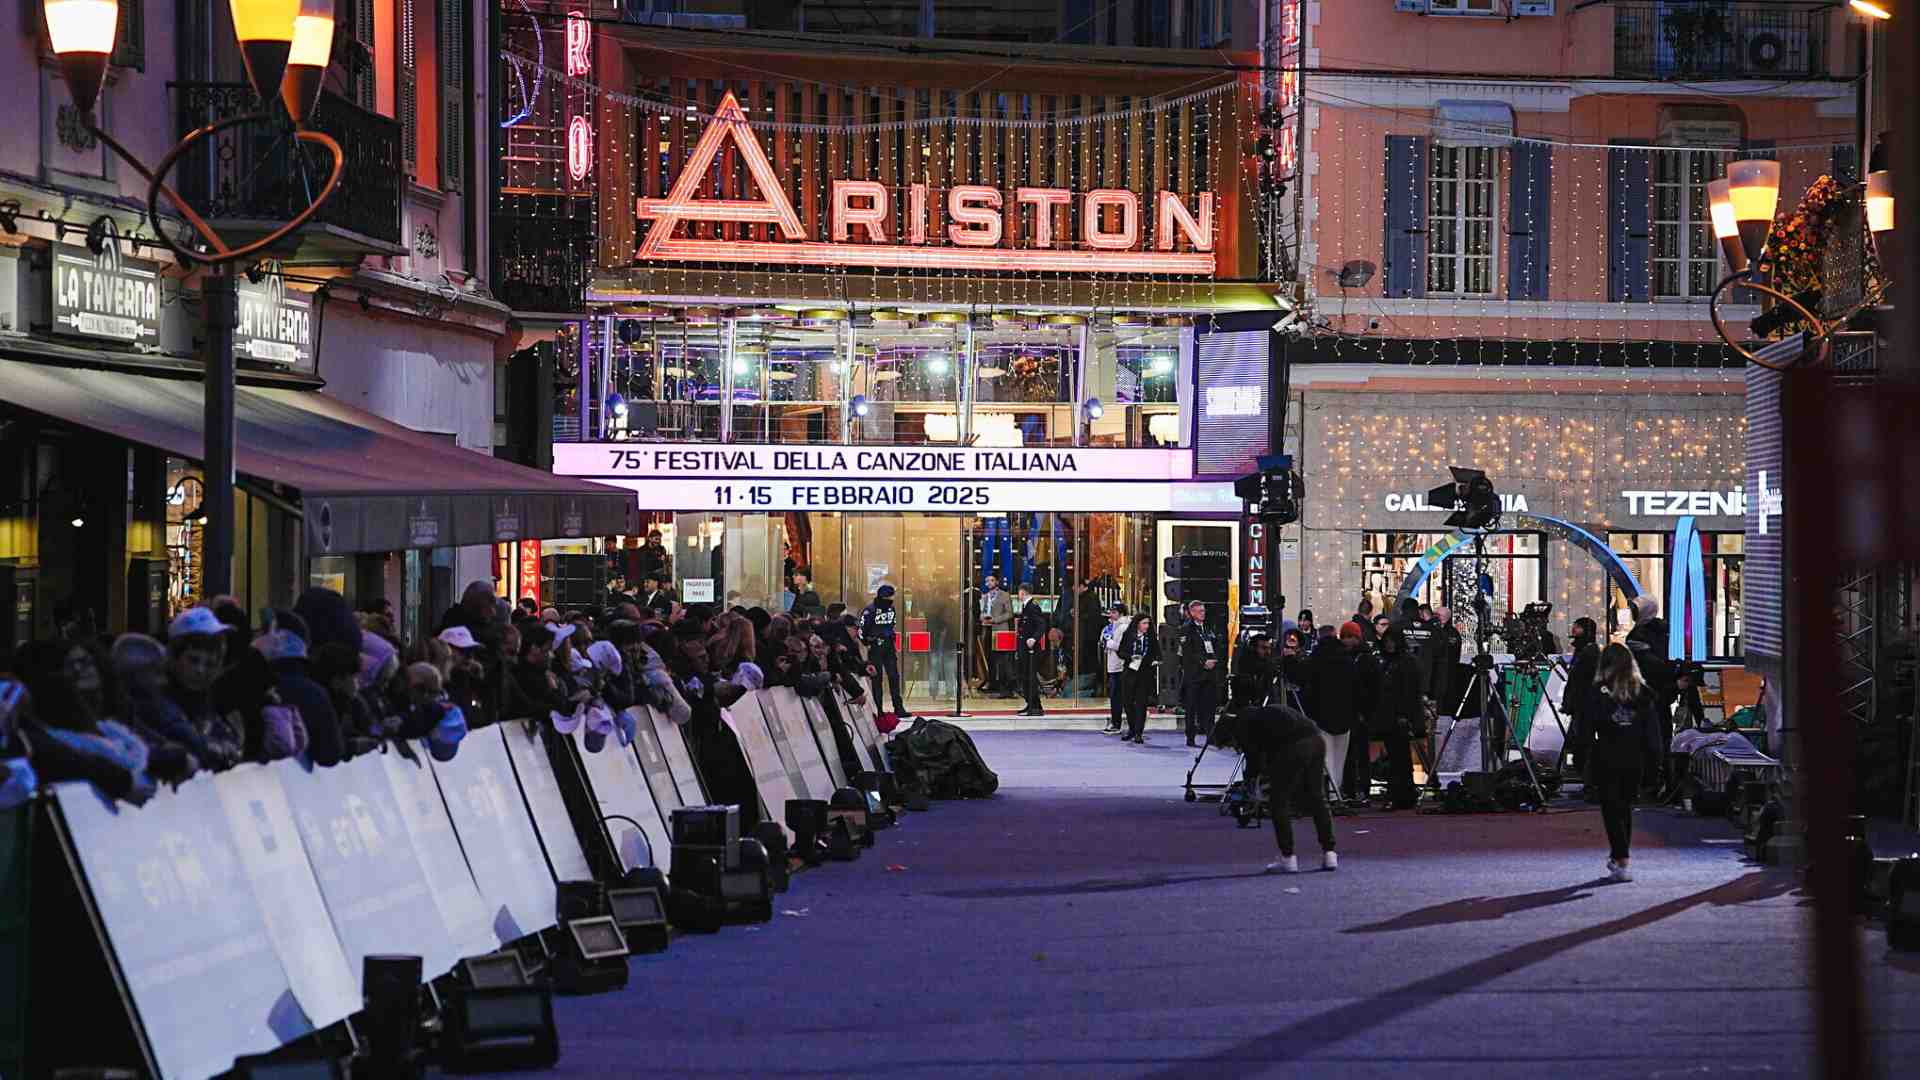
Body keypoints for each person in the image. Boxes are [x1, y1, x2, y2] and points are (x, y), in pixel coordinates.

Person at [1580, 643, 1665, 882]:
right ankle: (1621, 856)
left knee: (1611, 807)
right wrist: (1654, 762)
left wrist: (1582, 755)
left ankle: (1621, 855)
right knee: (1625, 807)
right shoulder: (1643, 692)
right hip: (1635, 756)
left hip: (1606, 754)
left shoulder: (1598, 692)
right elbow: (1653, 732)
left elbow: (1586, 728)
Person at [1245, 703, 1338, 873]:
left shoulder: (1250, 725)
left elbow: (1256, 758)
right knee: (1318, 797)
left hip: (1295, 745)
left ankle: (1288, 858)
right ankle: (1330, 853)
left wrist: (1253, 779)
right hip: (1317, 740)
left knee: (1279, 800)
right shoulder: (1273, 710)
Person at [1308, 621, 1376, 801]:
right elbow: (1357, 689)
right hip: (1346, 715)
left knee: (1329, 755)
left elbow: (1310, 687)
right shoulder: (1348, 660)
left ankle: (1332, 793)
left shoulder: (1318, 658)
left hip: (1324, 714)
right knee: (1342, 756)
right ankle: (1337, 791)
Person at [1371, 627, 1423, 809]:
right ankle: (1404, 794)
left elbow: (1409, 692)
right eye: (1387, 641)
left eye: (1392, 641)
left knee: (1399, 758)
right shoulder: (1388, 662)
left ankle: (1401, 794)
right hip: (1390, 715)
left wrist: (1405, 715)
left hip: (1400, 716)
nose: (1389, 645)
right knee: (1397, 757)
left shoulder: (1404, 663)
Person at [1561, 616, 1601, 783]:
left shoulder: (1589, 652)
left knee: (1583, 742)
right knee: (1579, 741)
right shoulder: (1583, 651)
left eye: (1577, 627)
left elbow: (1581, 680)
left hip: (1586, 705)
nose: (1573, 630)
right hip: (1581, 704)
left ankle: (1588, 779)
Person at [1178, 601, 1223, 748]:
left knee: (1209, 706)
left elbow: (1215, 645)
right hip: (1194, 674)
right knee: (1191, 707)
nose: (1202, 614)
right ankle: (1190, 736)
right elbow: (1188, 652)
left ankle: (1210, 735)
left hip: (1209, 674)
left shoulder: (1209, 627)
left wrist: (1214, 659)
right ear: (1191, 613)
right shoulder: (1186, 629)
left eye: (1203, 611)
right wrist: (1203, 662)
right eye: (1198, 611)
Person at [859, 584, 909, 717]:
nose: (892, 598)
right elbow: (861, 629)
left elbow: (891, 625)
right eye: (890, 596)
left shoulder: (891, 609)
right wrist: (867, 642)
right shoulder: (870, 610)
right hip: (875, 646)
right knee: (877, 679)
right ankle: (879, 710)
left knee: (894, 677)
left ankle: (898, 708)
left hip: (888, 646)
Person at [1118, 614, 1159, 743]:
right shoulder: (1128, 635)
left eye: (1148, 623)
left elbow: (1157, 653)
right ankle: (1132, 728)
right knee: (1128, 702)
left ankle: (1138, 733)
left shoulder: (1151, 637)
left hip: (1144, 674)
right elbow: (1120, 652)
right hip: (1130, 672)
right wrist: (1130, 657)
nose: (1146, 626)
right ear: (1137, 624)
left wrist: (1155, 661)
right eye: (1144, 623)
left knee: (1141, 704)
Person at [1014, 584, 1047, 716]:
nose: (1018, 595)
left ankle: (1035, 706)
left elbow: (1041, 625)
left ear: (1023, 592)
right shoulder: (1026, 607)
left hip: (1031, 649)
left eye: (1019, 592)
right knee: (1025, 676)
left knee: (1030, 677)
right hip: (1024, 647)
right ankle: (1030, 704)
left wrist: (1034, 638)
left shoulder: (1033, 606)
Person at [1099, 603, 1129, 734]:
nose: (1111, 614)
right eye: (1111, 612)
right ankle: (1116, 723)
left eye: (1114, 612)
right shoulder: (1112, 627)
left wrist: (1109, 643)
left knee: (1118, 697)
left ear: (1121, 613)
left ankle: (1117, 724)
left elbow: (1122, 646)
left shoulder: (1123, 627)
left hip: (1120, 666)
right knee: (1115, 696)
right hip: (1113, 666)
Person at [981, 575, 1013, 695]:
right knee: (990, 658)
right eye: (987, 581)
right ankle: (993, 684)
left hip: (1000, 630)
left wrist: (995, 620)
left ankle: (1005, 687)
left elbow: (1009, 613)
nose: (989, 583)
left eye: (991, 580)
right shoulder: (985, 596)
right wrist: (982, 617)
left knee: (1003, 660)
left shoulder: (1004, 595)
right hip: (988, 630)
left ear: (997, 581)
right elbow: (983, 611)